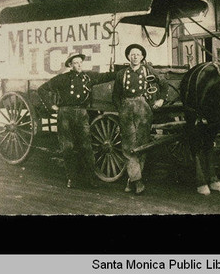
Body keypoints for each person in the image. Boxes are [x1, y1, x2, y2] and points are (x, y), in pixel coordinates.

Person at [37, 53, 116, 189]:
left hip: (81, 113)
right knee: (67, 147)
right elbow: (42, 89)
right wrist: (52, 106)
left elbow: (106, 76)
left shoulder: (88, 77)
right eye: (75, 63)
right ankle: (71, 178)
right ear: (70, 65)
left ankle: (90, 178)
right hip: (65, 114)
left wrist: (121, 71)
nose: (79, 65)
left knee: (86, 146)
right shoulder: (62, 78)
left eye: (80, 62)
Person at [112, 43, 169, 194]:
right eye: (132, 54)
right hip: (126, 108)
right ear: (129, 57)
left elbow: (163, 84)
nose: (135, 56)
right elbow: (116, 95)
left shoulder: (148, 70)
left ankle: (132, 179)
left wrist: (161, 100)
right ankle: (138, 181)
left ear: (142, 57)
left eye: (138, 54)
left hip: (143, 108)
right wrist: (122, 108)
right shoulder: (121, 74)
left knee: (142, 144)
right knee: (128, 145)